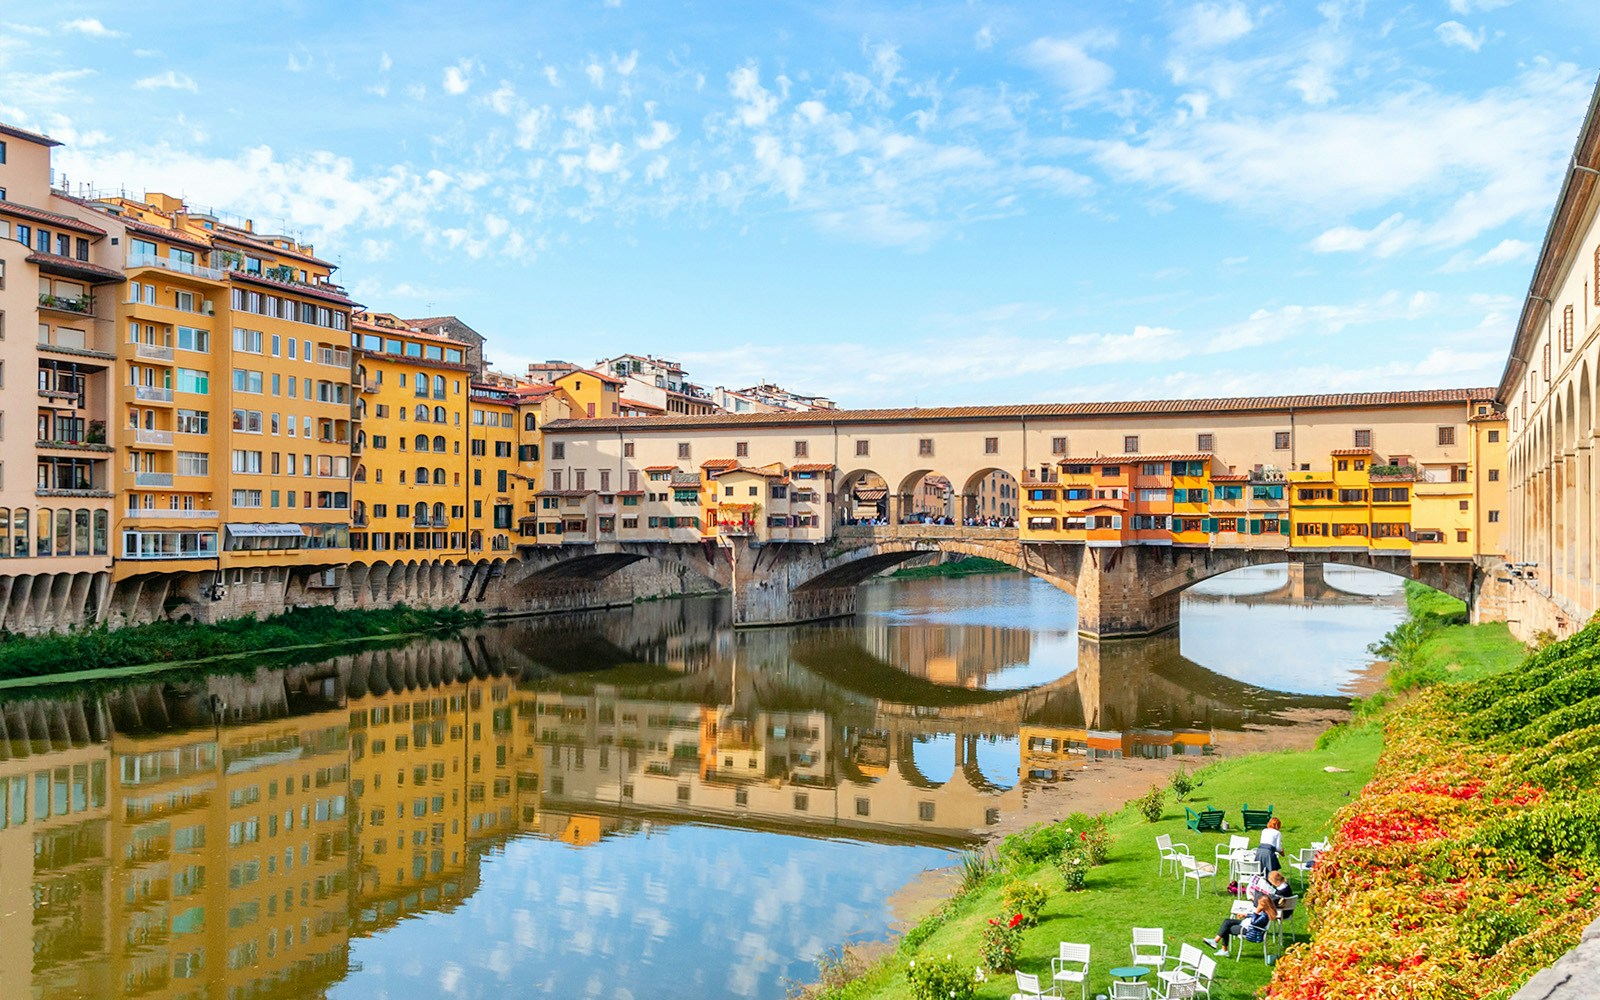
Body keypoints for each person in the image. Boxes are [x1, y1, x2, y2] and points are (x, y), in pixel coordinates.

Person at [1204, 892, 1277, 955]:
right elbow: (1256, 918)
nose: (1257, 905)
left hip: (1249, 930)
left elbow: (1254, 923)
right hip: (1247, 924)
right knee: (1227, 921)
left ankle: (1223, 949)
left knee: (1226, 928)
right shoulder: (1265, 912)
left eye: (1259, 904)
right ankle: (1216, 942)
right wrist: (1246, 915)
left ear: (1263, 905)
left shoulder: (1265, 916)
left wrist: (1257, 911)